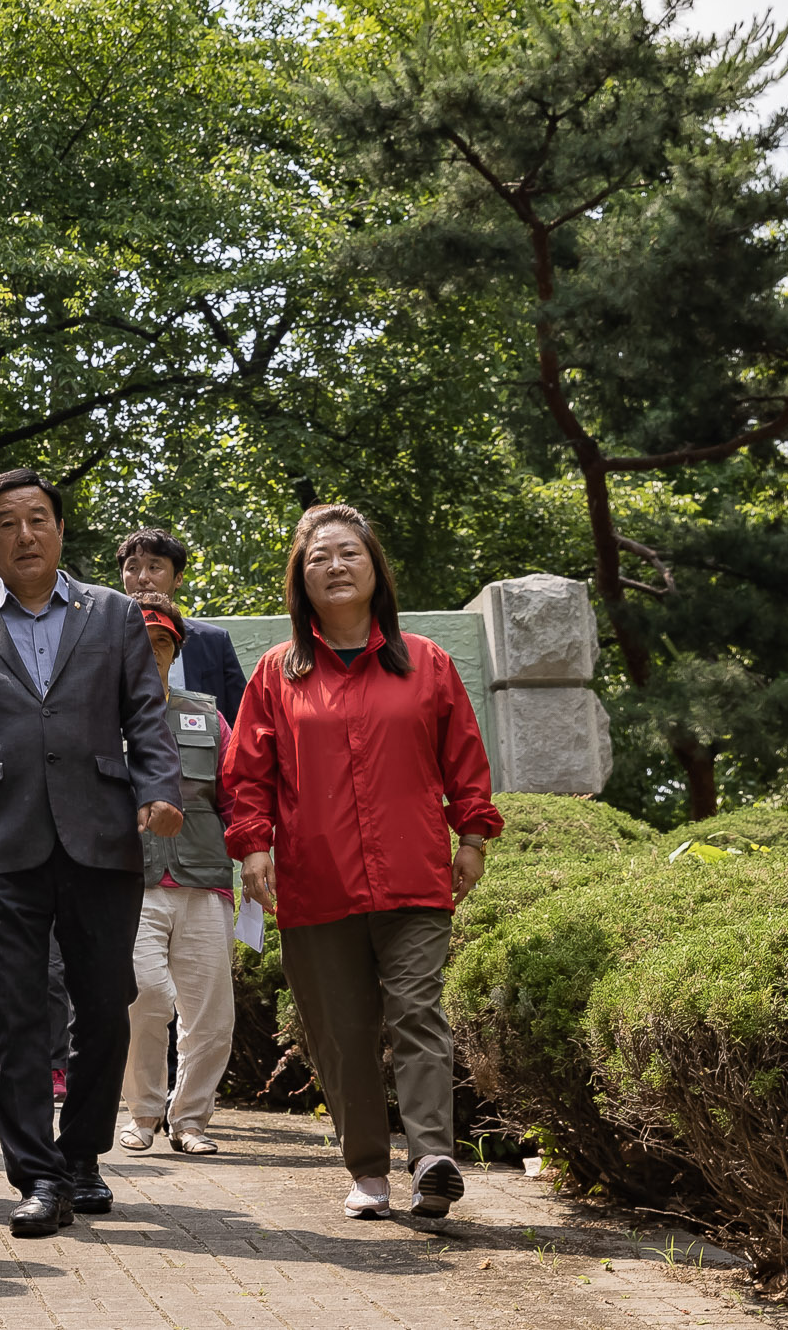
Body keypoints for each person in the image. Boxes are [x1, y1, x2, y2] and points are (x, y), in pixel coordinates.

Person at [0, 469, 184, 1239]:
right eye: (7, 522)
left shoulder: (114, 615)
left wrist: (157, 790)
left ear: (60, 529)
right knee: (18, 1010)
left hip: (102, 834)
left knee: (105, 1004)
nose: (25, 533)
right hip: (2, 836)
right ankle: (34, 1174)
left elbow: (145, 714)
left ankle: (83, 1154)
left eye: (38, 518)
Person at [224, 504, 501, 1223]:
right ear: (300, 580)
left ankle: (433, 1155)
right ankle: (368, 1169)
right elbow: (246, 772)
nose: (336, 566)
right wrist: (254, 841)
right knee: (341, 1033)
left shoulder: (426, 663)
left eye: (349, 552)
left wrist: (471, 835)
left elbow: (464, 756)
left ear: (376, 570)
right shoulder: (276, 674)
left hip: (413, 876)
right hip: (318, 883)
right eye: (319, 558)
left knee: (417, 1011)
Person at [117, 593, 237, 1157]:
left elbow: (237, 795)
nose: (151, 654)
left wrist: (258, 852)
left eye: (162, 644)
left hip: (204, 878)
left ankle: (190, 1120)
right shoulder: (95, 714)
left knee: (212, 1014)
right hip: (130, 884)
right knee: (146, 996)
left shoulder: (208, 716)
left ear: (175, 650)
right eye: (140, 644)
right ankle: (142, 1113)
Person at [118, 528, 247, 725]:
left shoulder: (213, 642)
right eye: (132, 568)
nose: (143, 577)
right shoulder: (104, 638)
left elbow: (241, 720)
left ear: (178, 579)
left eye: (154, 567)